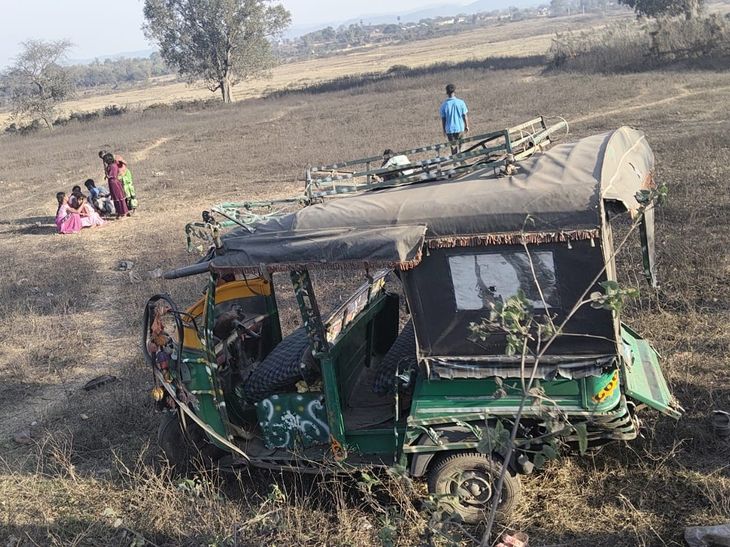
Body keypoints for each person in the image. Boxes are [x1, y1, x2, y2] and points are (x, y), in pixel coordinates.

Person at [439, 83, 470, 155]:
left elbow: (443, 119)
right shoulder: (461, 102)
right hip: (460, 128)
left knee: (453, 148)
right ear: (454, 91)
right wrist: (467, 126)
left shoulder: (444, 105)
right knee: (461, 147)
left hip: (450, 130)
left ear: (447, 92)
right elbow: (464, 115)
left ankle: (455, 160)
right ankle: (461, 159)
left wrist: (444, 130)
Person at [102, 152, 129, 218]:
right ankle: (119, 212)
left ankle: (124, 212)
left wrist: (108, 176)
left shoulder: (113, 166)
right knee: (115, 198)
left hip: (115, 183)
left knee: (119, 198)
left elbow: (113, 175)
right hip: (112, 183)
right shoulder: (110, 166)